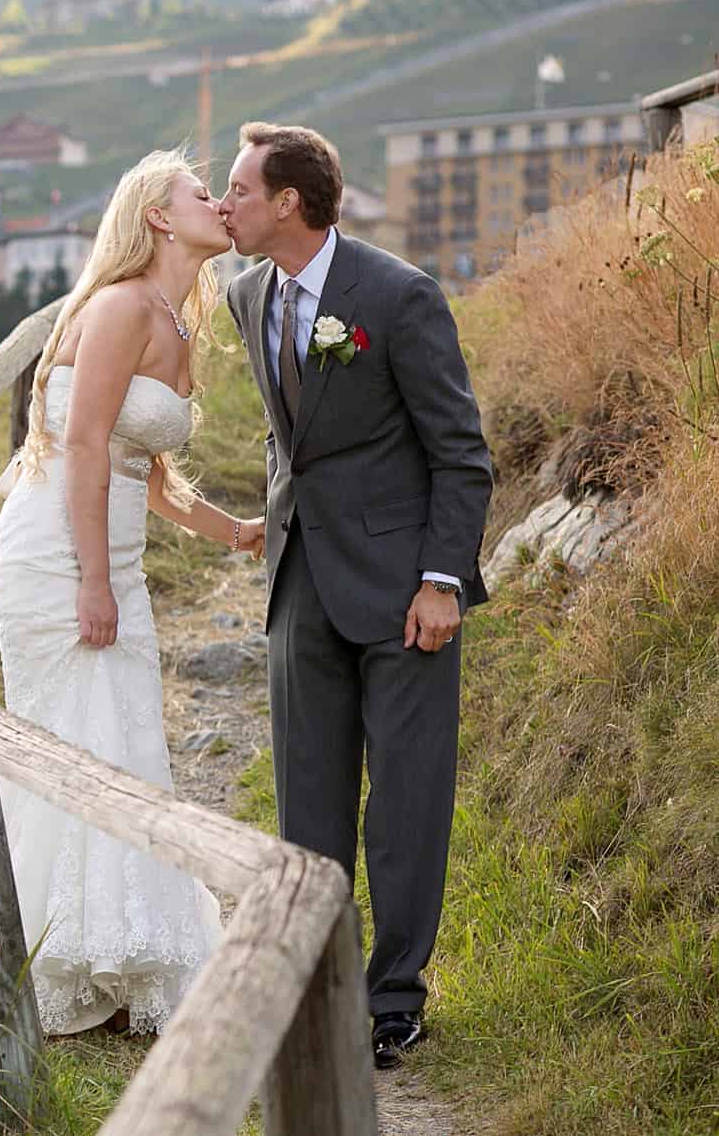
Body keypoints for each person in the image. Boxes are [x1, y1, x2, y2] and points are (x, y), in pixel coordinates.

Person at [0, 148, 261, 1035]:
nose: (219, 203)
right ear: (157, 215)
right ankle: (48, 956)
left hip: (108, 544)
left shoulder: (176, 318)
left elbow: (140, 470)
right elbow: (79, 446)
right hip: (57, 552)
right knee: (70, 738)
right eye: (201, 192)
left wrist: (232, 529)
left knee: (121, 735)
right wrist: (95, 582)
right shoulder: (118, 306)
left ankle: (107, 950)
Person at [217, 122, 492, 1069]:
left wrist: (442, 580)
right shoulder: (246, 292)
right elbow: (288, 436)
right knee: (306, 806)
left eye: (240, 189)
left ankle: (392, 1000)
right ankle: (317, 988)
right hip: (299, 584)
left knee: (405, 804)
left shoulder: (398, 295)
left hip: (407, 594)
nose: (226, 204)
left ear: (289, 201)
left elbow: (460, 452)